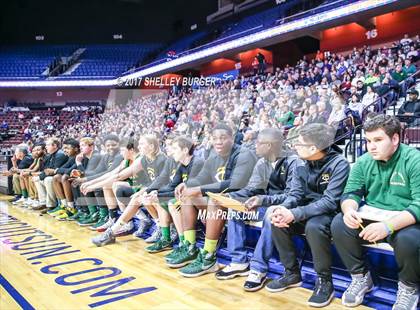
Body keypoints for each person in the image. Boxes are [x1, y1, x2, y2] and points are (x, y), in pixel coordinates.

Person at [331, 115, 420, 310]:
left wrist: (387, 227)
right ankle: (361, 277)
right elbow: (350, 193)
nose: (371, 146)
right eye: (368, 141)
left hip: (404, 220)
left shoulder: (414, 160)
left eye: (378, 140)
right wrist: (349, 210)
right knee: (339, 223)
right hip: (374, 216)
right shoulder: (364, 161)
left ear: (395, 139)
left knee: (409, 240)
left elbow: (419, 205)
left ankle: (409, 288)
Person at [267, 123, 350, 308]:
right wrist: (283, 209)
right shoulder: (301, 164)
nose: (295, 146)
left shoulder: (339, 164)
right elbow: (295, 195)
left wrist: (295, 213)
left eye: (300, 143)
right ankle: (292, 273)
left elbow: (329, 202)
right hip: (306, 211)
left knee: (314, 226)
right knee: (278, 221)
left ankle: (325, 281)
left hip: (329, 213)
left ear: (313, 148)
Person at [214, 128, 302, 292]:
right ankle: (239, 262)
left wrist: (263, 200)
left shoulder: (294, 162)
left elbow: (293, 196)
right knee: (235, 208)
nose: (255, 145)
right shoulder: (262, 162)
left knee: (271, 213)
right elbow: (251, 189)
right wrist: (231, 196)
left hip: (288, 209)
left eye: (259, 142)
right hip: (266, 204)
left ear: (269, 145)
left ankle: (258, 269)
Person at [171, 123, 257, 277]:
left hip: (247, 201)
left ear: (232, 138)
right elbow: (202, 177)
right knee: (188, 197)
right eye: (215, 138)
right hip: (223, 203)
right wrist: (187, 184)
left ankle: (209, 256)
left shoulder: (244, 154)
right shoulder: (213, 156)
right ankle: (190, 247)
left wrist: (198, 189)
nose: (218, 141)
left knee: (215, 200)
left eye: (223, 138)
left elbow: (234, 183)